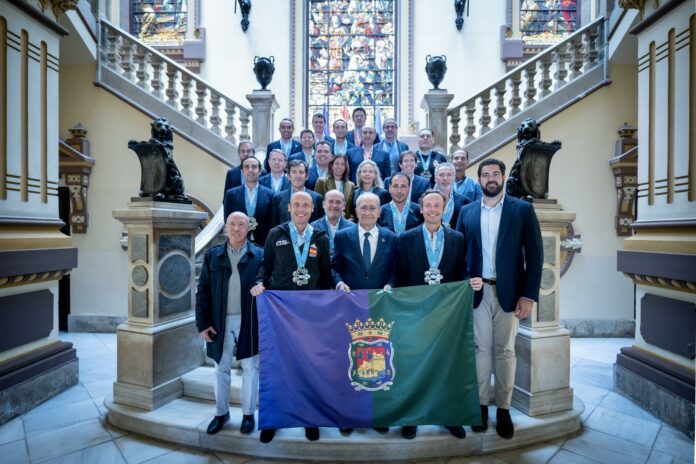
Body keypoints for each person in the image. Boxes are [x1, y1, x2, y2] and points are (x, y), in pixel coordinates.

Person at [455, 158, 543, 440]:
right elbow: (459, 252)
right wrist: (466, 279)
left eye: (495, 173)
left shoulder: (522, 209)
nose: (490, 178)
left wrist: (528, 295)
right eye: (485, 174)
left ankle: (503, 409)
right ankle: (480, 407)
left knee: (505, 351)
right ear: (479, 179)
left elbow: (536, 254)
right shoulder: (467, 211)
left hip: (510, 293)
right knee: (480, 349)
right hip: (477, 292)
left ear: (503, 177)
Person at [252, 191, 332, 443]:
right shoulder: (275, 234)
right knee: (277, 366)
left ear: (313, 209)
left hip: (310, 313)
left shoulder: (320, 236)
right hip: (281, 313)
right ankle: (273, 420)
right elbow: (265, 266)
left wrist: (328, 305)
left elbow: (326, 275)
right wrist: (259, 283)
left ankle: (311, 418)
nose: (300, 209)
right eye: (296, 205)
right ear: (288, 207)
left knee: (309, 367)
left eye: (305, 205)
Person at [394, 189, 467, 440]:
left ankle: (448, 416)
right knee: (414, 366)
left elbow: (461, 273)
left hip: (446, 313)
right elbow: (401, 278)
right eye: (429, 205)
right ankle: (412, 417)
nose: (433, 210)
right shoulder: (406, 238)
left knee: (446, 366)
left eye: (438, 205)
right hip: (416, 314)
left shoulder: (458, 238)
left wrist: (470, 283)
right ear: (421, 209)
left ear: (444, 209)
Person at [195, 212, 263, 436]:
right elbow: (203, 289)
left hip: (249, 320)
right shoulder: (213, 255)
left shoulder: (259, 255)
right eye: (232, 224)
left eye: (241, 224)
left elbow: (267, 284)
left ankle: (248, 414)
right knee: (220, 368)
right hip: (219, 321)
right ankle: (221, 413)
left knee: (250, 368)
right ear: (225, 228)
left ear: (248, 228)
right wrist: (203, 323)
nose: (236, 228)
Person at [224, 157, 274, 246]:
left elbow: (272, 221)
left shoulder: (270, 194)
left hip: (263, 243)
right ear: (242, 171)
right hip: (238, 242)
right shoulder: (231, 194)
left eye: (254, 167)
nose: (250, 170)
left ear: (260, 171)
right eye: (247, 167)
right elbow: (227, 219)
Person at [271, 160, 324, 226]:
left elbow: (320, 224)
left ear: (307, 176)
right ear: (288, 176)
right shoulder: (278, 198)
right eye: (294, 172)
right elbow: (273, 225)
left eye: (301, 172)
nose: (298, 175)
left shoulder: (317, 198)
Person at [314, 153, 356, 219]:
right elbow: (317, 205)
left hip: (345, 221)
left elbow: (351, 208)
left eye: (342, 164)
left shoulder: (351, 185)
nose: (339, 166)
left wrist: (351, 218)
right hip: (326, 220)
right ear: (331, 165)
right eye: (337, 163)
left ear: (345, 167)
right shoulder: (322, 181)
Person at [433, 162, 469, 229]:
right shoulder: (425, 200)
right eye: (441, 175)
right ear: (435, 178)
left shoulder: (464, 202)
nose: (445, 178)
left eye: (449, 175)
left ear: (454, 178)